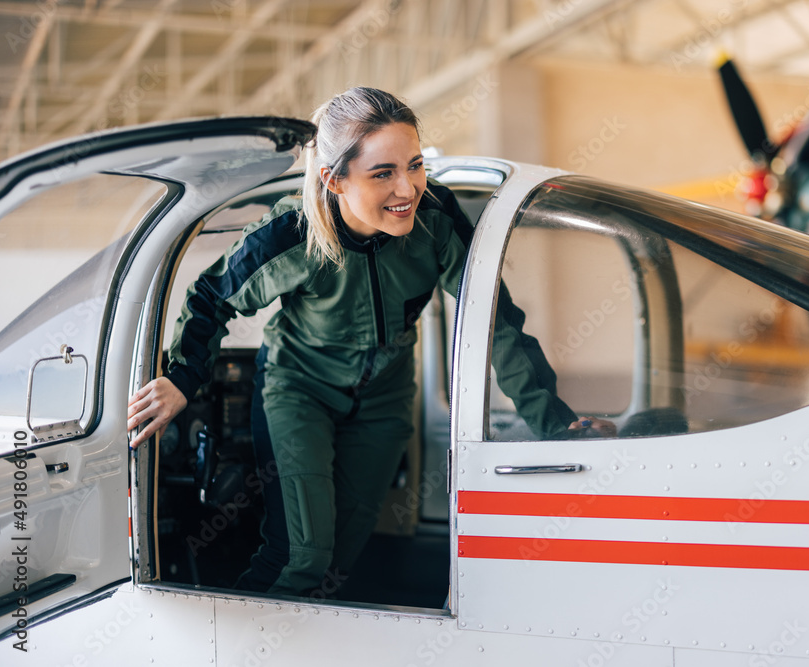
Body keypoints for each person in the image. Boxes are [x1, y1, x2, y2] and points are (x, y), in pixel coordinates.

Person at [127, 87, 614, 599]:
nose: (408, 188)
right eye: (383, 173)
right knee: (300, 556)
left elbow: (497, 322)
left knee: (338, 559)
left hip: (384, 396)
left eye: (415, 165)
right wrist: (183, 377)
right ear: (334, 179)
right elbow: (212, 296)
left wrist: (557, 426)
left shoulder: (436, 219)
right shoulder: (289, 235)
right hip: (299, 391)